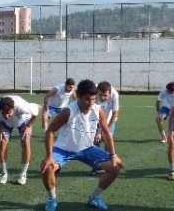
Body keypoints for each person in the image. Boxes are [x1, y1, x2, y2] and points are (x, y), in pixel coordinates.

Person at [41, 79, 123, 211]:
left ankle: (94, 198)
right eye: (86, 99)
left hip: (87, 149)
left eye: (93, 99)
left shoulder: (97, 110)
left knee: (116, 166)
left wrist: (113, 155)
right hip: (63, 150)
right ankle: (52, 199)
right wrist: (49, 156)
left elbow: (107, 133)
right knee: (47, 167)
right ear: (78, 95)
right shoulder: (68, 111)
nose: (90, 103)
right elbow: (50, 131)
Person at [0, 95, 40, 185]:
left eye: (8, 113)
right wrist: (0, 126)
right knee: (2, 142)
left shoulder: (22, 107)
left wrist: (28, 126)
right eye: (3, 113)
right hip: (5, 124)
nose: (6, 116)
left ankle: (23, 174)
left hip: (23, 121)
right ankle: (4, 173)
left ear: (13, 108)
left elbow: (38, 108)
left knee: (25, 142)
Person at [90, 81, 120, 175]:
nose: (102, 98)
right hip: (94, 117)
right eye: (100, 95)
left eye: (105, 95)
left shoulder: (115, 95)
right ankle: (94, 166)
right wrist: (97, 131)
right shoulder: (93, 92)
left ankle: (107, 163)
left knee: (108, 139)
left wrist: (106, 130)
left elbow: (115, 113)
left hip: (108, 117)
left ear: (110, 93)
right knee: (96, 141)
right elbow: (91, 114)